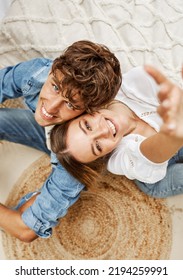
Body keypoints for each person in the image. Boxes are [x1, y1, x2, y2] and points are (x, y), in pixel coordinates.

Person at [0, 40, 122, 242]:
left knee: (31, 214)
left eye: (71, 104)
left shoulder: (78, 157)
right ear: (53, 69)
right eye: (55, 87)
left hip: (67, 150)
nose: (50, 108)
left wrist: (27, 217)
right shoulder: (38, 72)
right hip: (47, 133)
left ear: (89, 111)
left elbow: (25, 230)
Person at [50, 65, 183, 199]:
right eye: (97, 146)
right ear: (103, 155)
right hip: (160, 174)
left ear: (86, 111)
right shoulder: (115, 160)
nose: (103, 131)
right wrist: (173, 135)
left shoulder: (133, 85)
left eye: (88, 126)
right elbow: (147, 158)